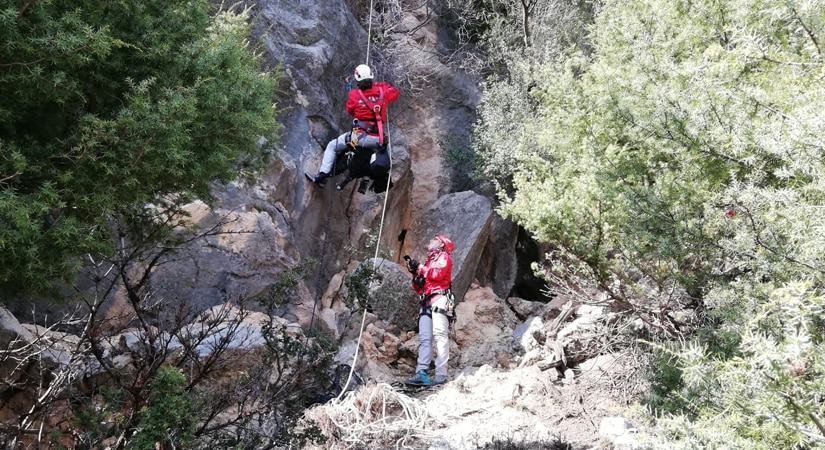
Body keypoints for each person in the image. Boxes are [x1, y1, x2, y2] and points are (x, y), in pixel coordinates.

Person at [305, 64, 400, 185]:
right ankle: (368, 177)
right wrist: (378, 86)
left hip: (357, 138)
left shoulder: (354, 94)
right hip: (377, 139)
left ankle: (323, 175)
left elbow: (350, 110)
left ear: (357, 79)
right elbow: (395, 92)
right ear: (371, 77)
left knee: (332, 146)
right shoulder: (384, 92)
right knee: (383, 154)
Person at [404, 234, 454, 386]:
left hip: (439, 298)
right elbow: (419, 288)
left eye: (434, 239)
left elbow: (437, 275)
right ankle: (421, 373)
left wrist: (420, 268)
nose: (430, 240)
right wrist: (415, 273)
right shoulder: (430, 261)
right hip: (426, 301)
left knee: (440, 335)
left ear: (441, 244)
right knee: (424, 338)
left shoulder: (444, 256)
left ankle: (441, 373)